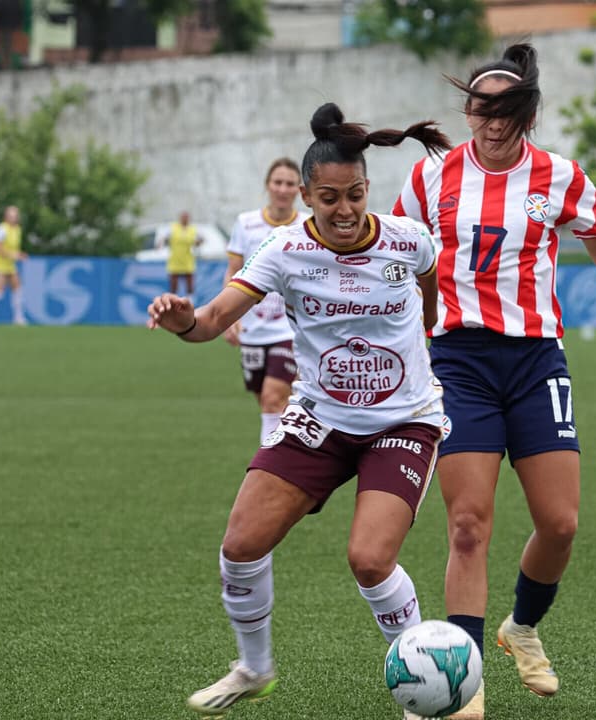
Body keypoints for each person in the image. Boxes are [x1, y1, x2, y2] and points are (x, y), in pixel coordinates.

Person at [392, 43, 596, 719]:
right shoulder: (432, 176)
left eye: (507, 111)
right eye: (480, 110)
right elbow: (401, 255)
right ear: (467, 111)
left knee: (560, 523)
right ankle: (460, 683)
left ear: (527, 113)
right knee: (469, 524)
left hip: (534, 360)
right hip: (456, 362)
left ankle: (521, 628)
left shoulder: (559, 176)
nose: (492, 124)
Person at [147, 103, 452, 719]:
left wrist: (424, 340)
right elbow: (210, 322)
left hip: (404, 422)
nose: (345, 211)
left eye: (356, 195)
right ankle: (254, 669)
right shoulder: (283, 251)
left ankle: (426, 688)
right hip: (320, 418)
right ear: (307, 197)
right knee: (240, 544)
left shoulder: (409, 240)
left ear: (370, 189)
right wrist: (184, 322)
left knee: (369, 559)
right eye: (330, 197)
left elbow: (430, 301)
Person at [223, 159, 306, 444]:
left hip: (291, 331)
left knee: (273, 398)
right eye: (277, 182)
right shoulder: (246, 224)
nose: (283, 189)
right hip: (253, 330)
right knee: (268, 403)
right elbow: (233, 271)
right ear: (267, 186)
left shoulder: (307, 225)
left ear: (300, 189)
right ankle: (297, 456)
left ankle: (271, 471)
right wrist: (228, 317)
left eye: (290, 183)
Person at [166, 211, 202, 296]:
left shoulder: (193, 229)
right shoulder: (173, 228)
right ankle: (172, 301)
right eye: (183, 217)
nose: (185, 219)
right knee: (173, 285)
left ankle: (190, 300)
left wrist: (198, 242)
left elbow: (200, 240)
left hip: (188, 260)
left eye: (186, 217)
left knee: (190, 283)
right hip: (175, 260)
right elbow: (165, 238)